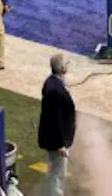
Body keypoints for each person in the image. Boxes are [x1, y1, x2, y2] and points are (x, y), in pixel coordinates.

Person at [38, 53, 76, 196]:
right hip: (56, 141)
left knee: (54, 171)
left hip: (53, 139)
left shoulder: (52, 83)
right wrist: (61, 143)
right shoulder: (56, 90)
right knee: (57, 174)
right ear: (62, 68)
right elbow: (56, 120)